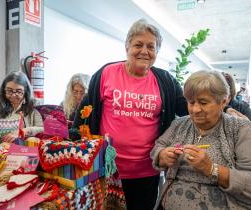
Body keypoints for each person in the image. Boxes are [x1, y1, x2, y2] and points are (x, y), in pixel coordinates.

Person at [73, 19, 188, 210]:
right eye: (138, 45)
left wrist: (225, 109)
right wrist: (77, 150)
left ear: (157, 52)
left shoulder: (165, 80)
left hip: (147, 171)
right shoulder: (106, 73)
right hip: (107, 169)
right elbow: (83, 115)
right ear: (127, 46)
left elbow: (188, 107)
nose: (144, 51)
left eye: (151, 46)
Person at [151, 70, 251, 210]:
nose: (195, 109)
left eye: (203, 102)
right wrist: (161, 155)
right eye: (191, 102)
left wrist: (212, 169)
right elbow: (158, 147)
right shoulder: (179, 125)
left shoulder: (239, 129)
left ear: (223, 101)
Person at [0, 71, 43, 145]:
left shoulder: (34, 105)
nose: (13, 95)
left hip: (23, 152)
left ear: (26, 91)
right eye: (9, 91)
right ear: (3, 90)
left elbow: (42, 129)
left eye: (19, 91)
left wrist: (23, 131)